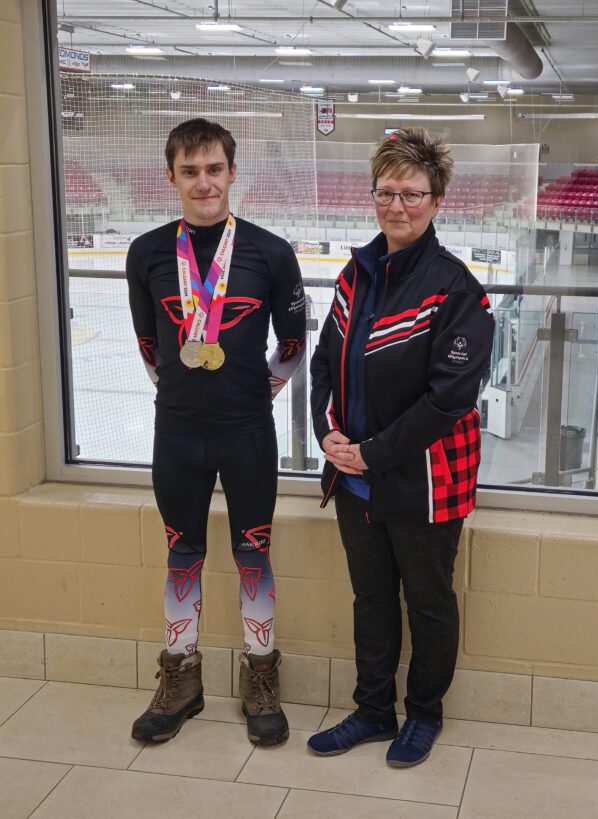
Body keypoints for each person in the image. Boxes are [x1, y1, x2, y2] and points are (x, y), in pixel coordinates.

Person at [308, 128, 494, 767]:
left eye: (412, 194)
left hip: (423, 482)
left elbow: (448, 401)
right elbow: (324, 364)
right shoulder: (354, 275)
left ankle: (424, 714)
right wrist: (327, 435)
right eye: (386, 192)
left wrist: (373, 453)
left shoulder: (456, 289)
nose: (397, 206)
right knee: (372, 599)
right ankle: (371, 710)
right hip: (356, 478)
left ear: (437, 200)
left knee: (429, 602)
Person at [126, 118, 306, 746]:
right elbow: (150, 343)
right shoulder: (146, 252)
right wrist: (183, 387)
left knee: (252, 553)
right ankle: (182, 681)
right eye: (190, 171)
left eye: (214, 169)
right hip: (176, 433)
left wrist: (258, 390)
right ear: (170, 176)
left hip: (247, 431)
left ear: (232, 173)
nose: (204, 183)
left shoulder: (271, 253)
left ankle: (261, 677)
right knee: (183, 553)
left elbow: (291, 344)